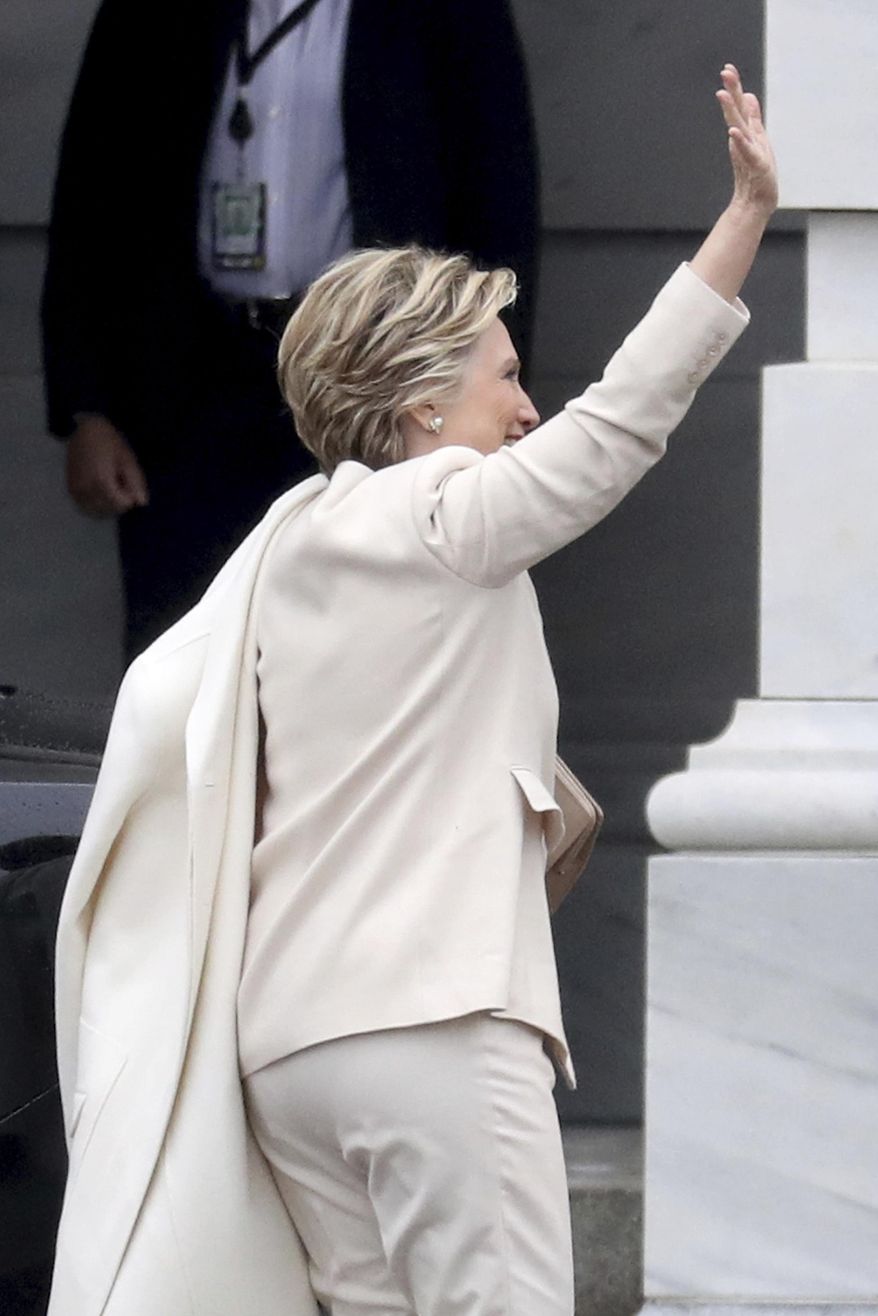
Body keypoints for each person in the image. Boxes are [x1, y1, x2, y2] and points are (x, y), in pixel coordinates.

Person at [48, 66, 777, 1316]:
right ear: (419, 397)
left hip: (293, 1046)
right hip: (435, 1022)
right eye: (503, 377)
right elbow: (614, 429)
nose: (526, 404)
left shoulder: (283, 547)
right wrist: (742, 221)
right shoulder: (439, 512)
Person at [41, 0, 538, 658]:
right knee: (184, 642)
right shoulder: (155, 14)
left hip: (367, 377)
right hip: (189, 383)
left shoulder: (441, 15)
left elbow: (497, 198)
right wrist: (88, 406)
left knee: (358, 643)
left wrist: (487, 397)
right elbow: (91, 194)